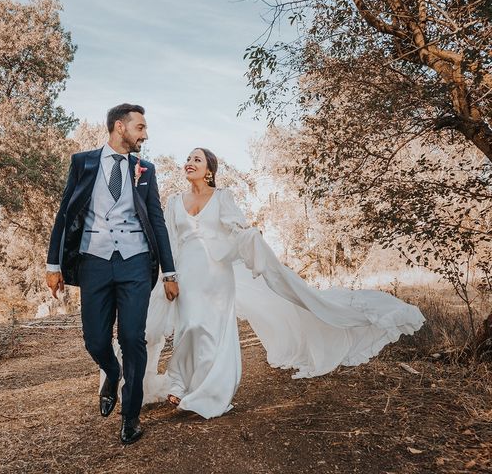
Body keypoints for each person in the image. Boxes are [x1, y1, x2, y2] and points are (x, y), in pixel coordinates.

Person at [141, 147, 425, 419]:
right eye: (188, 158)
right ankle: (179, 382)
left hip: (216, 276)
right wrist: (168, 275)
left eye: (197, 159)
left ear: (209, 171)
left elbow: (238, 230)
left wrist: (251, 237)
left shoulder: (222, 197)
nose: (189, 162)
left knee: (211, 332)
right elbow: (169, 241)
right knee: (188, 327)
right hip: (187, 275)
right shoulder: (175, 202)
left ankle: (206, 393)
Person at [45, 103, 179, 444]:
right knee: (95, 340)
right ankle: (111, 370)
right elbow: (64, 214)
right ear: (120, 127)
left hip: (135, 261)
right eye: (140, 128)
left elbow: (157, 222)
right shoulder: (83, 162)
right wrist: (53, 264)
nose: (144, 135)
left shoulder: (145, 169)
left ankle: (130, 415)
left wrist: (169, 271)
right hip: (94, 262)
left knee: (133, 338)